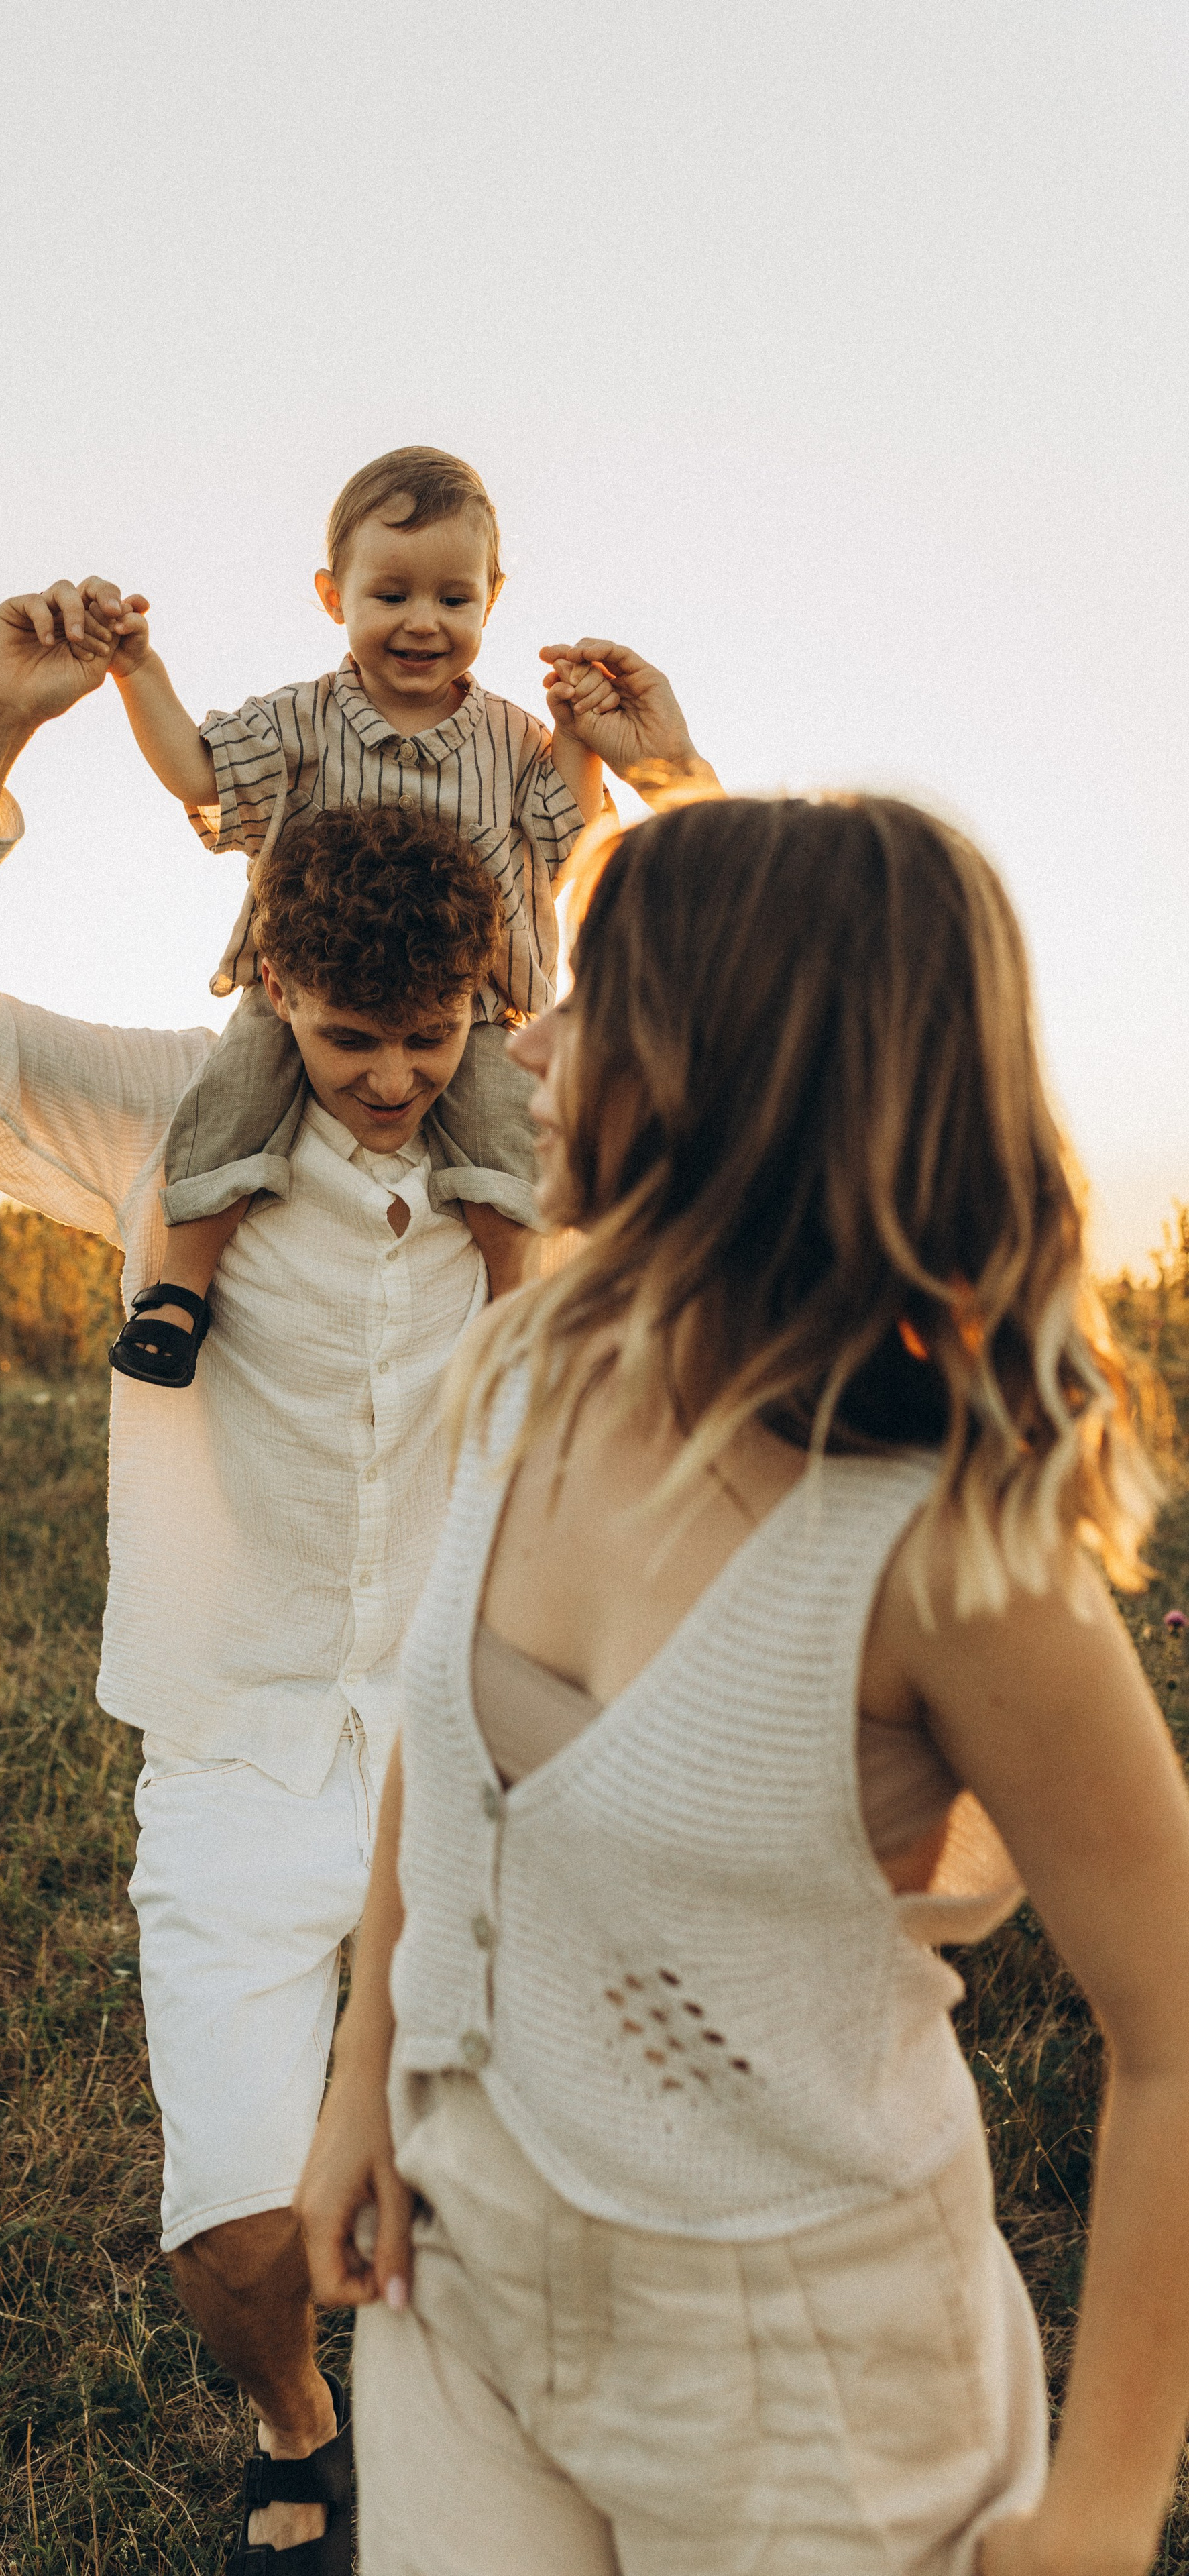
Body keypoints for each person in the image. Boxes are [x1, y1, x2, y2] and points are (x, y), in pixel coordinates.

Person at [0, 580, 717, 2574]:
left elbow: (774, 1003)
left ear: (489, 1002)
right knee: (237, 2233)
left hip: (486, 1762)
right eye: (342, 1042)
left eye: (427, 1041)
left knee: (543, 2212)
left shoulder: (538, 1118)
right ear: (273, 993)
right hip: (231, 1755)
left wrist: (665, 777)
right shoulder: (166, 1129)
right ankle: (294, 2419)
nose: (390, 1082)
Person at [296, 792, 1189, 2575]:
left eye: (591, 1003)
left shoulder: (945, 1551)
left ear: (734, 1067)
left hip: (808, 2380)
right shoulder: (539, 1357)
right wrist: (362, 2083)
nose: (528, 1049)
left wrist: (1096, 2515)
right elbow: (442, 1751)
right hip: (455, 2277)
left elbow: (1176, 2028)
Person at [78, 445, 712, 1388]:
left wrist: (582, 737)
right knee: (233, 1095)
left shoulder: (508, 737)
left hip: (473, 999)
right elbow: (202, 775)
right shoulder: (301, 719)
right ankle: (180, 1291)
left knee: (508, 1132)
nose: (423, 623)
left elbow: (566, 835)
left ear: (492, 599)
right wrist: (137, 671)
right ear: (335, 597)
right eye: (391, 596)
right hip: (310, 984)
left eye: (453, 600)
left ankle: (513, 1313)